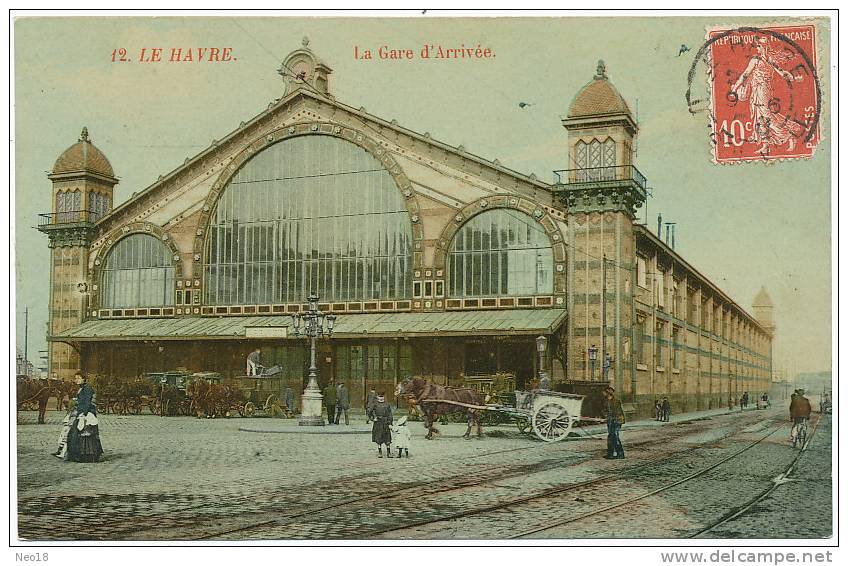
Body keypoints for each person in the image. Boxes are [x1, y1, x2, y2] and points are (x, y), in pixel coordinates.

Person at [730, 36, 803, 156]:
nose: (757, 48)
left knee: (766, 117)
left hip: (762, 90)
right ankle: (765, 146)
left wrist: (735, 88)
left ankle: (789, 136)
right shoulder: (769, 59)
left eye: (759, 46)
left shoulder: (757, 59)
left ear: (763, 47)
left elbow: (745, 75)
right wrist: (794, 78)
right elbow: (783, 73)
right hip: (758, 90)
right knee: (761, 118)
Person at [64, 373, 103, 463]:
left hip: (87, 414)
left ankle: (83, 456)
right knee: (75, 434)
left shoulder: (87, 388)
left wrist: (83, 414)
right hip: (81, 412)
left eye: (78, 378)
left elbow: (87, 402)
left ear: (84, 379)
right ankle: (77, 455)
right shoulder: (82, 388)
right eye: (75, 378)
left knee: (82, 434)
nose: (76, 380)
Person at [604, 386, 625, 459]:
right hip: (610, 421)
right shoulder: (606, 402)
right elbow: (606, 412)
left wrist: (613, 419)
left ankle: (620, 454)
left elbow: (618, 413)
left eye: (606, 392)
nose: (605, 394)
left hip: (617, 421)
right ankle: (610, 454)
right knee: (610, 437)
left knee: (615, 437)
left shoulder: (616, 401)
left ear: (609, 393)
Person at [371, 392, 393, 458]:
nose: (381, 398)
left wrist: (390, 423)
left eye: (382, 397)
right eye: (379, 397)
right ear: (377, 397)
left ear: (384, 397)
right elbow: (370, 411)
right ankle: (380, 452)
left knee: (387, 438)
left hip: (385, 422)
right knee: (378, 438)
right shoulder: (375, 404)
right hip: (378, 422)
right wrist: (373, 418)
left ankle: (388, 452)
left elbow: (390, 414)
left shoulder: (387, 404)